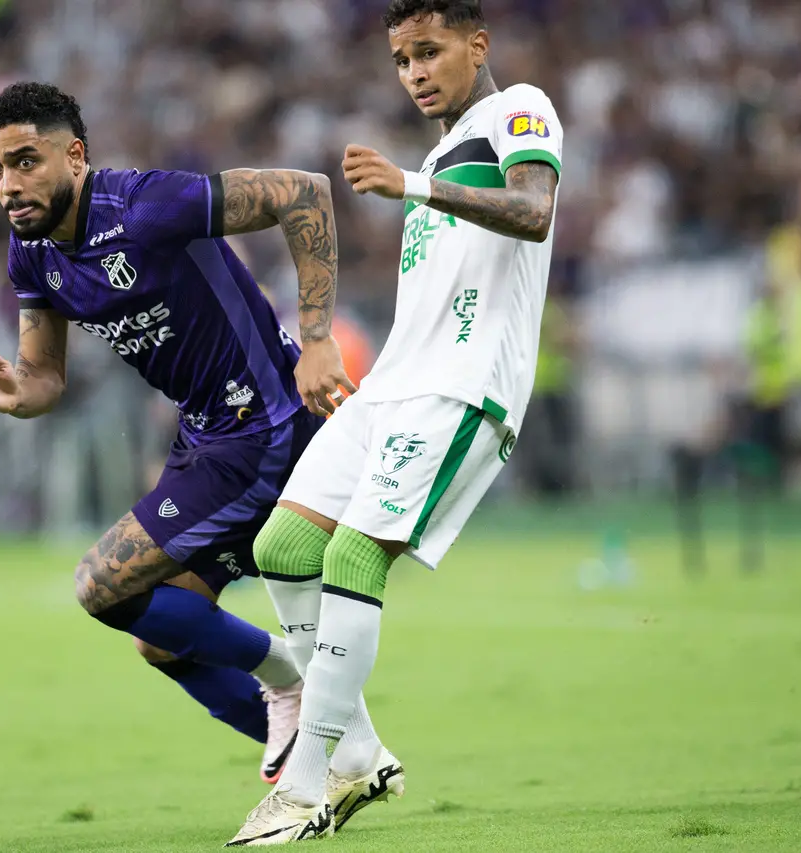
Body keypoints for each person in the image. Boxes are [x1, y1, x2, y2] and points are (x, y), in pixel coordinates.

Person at [228, 0, 563, 843]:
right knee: (283, 547)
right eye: (400, 59)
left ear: (476, 43)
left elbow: (535, 211)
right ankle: (361, 754)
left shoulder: (517, 111)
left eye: (428, 50)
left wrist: (409, 184)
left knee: (351, 555)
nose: (413, 71)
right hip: (391, 389)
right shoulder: (445, 153)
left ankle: (303, 789)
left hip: (460, 389)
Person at [0, 81, 361, 784]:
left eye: (26, 160)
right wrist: (15, 392)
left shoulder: (145, 205)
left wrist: (320, 336)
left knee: (100, 583)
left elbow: (302, 192)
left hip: (260, 426)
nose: (9, 184)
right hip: (206, 436)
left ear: (75, 155)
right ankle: (326, 768)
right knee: (160, 636)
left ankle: (285, 675)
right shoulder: (31, 252)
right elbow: (45, 377)